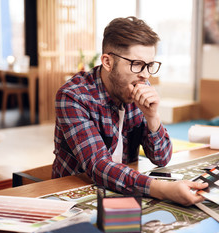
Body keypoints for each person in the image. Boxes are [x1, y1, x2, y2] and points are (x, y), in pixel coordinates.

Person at [52, 16, 208, 206]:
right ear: (108, 62)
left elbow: (161, 158)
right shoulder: (73, 97)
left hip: (123, 189)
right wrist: (162, 189)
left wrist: (152, 117)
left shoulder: (139, 86)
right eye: (137, 64)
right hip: (75, 194)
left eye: (149, 65)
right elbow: (98, 166)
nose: (145, 74)